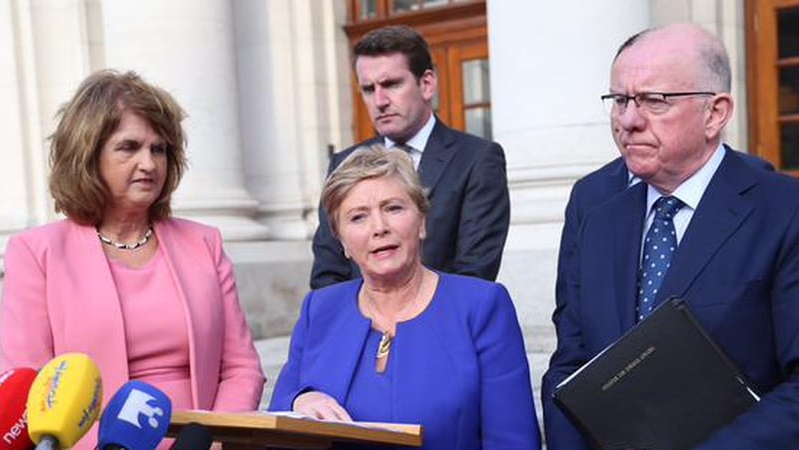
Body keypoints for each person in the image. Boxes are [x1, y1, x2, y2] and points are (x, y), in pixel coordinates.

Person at [542, 23, 799, 449]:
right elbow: (570, 366)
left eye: (653, 101)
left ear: (715, 113)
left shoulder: (784, 211)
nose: (628, 120)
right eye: (620, 100)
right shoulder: (599, 220)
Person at [0, 70, 265, 449]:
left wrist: (217, 439)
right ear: (88, 155)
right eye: (130, 147)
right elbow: (30, 386)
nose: (149, 163)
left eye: (159, 149)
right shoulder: (36, 253)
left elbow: (242, 368)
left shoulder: (204, 243)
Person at [270, 146, 541, 450]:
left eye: (394, 208)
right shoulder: (319, 308)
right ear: (342, 241)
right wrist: (300, 399)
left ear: (422, 222)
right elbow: (277, 410)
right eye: (358, 217)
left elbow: (512, 440)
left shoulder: (481, 306)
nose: (379, 228)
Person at [310, 25, 510, 289]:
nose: (379, 100)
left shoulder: (477, 159)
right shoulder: (344, 164)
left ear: (427, 84)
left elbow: (474, 273)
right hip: (361, 327)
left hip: (443, 325)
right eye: (368, 89)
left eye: (391, 84)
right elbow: (327, 273)